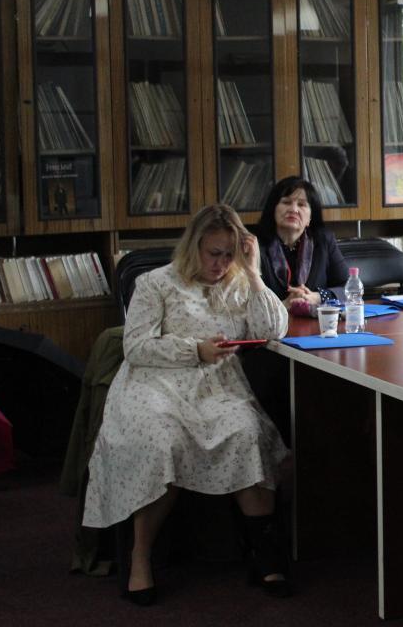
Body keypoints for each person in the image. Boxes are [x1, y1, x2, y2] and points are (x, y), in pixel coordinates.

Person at [82, 204, 292, 605]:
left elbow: (273, 329)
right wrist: (194, 350)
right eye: (213, 253)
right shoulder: (154, 283)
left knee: (246, 434)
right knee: (163, 442)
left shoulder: (239, 283)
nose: (220, 264)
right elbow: (136, 347)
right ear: (193, 246)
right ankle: (140, 557)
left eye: (228, 254)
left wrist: (253, 273)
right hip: (155, 383)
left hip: (216, 388)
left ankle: (264, 552)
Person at [255, 176, 348, 310]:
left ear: (310, 217)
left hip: (316, 321)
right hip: (272, 322)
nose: (294, 209)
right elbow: (245, 300)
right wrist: (284, 305)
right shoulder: (255, 245)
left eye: (301, 204)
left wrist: (318, 297)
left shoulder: (323, 241)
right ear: (273, 209)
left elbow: (348, 288)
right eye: (286, 202)